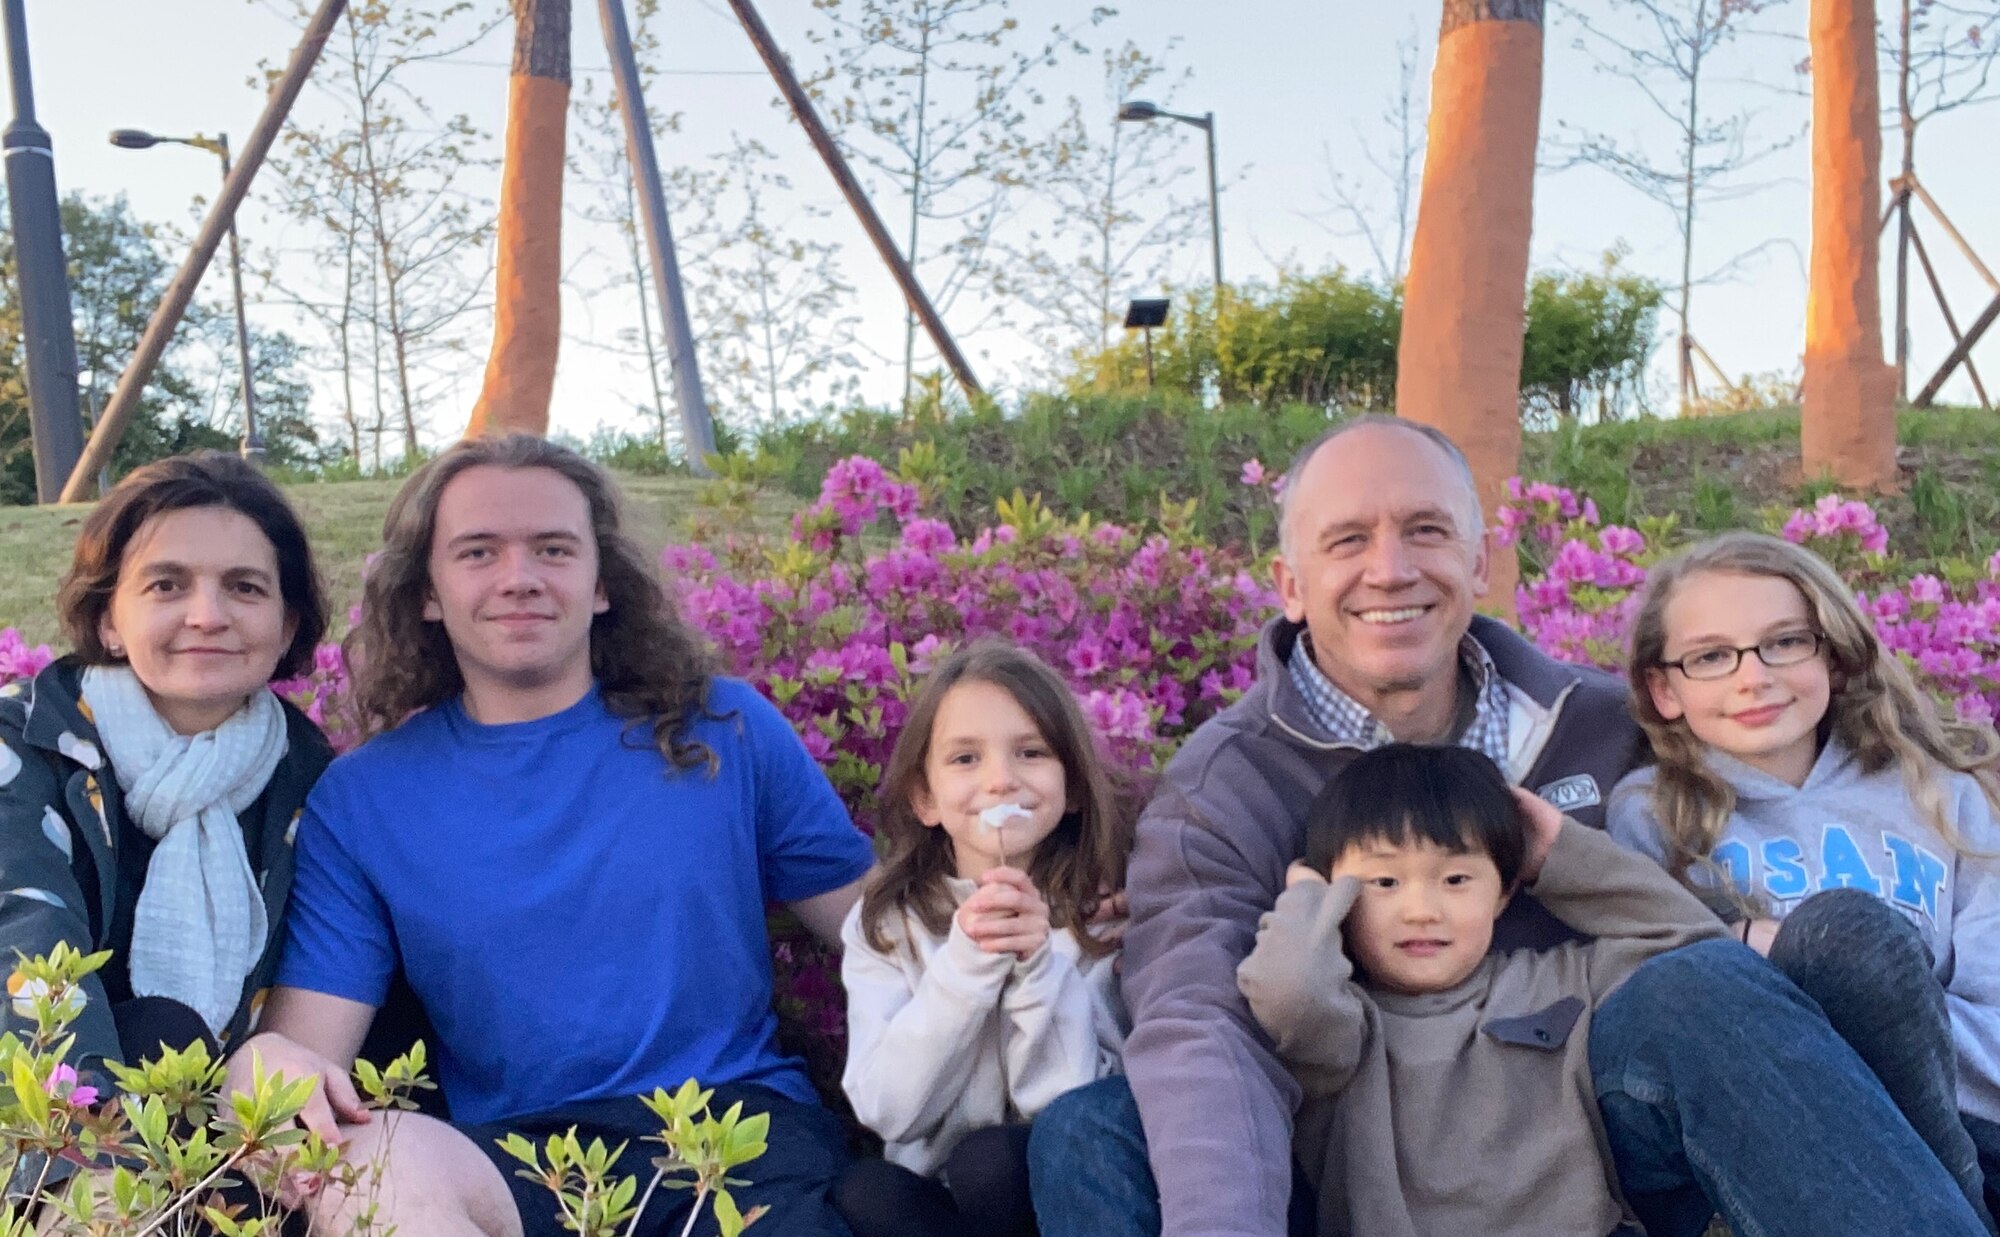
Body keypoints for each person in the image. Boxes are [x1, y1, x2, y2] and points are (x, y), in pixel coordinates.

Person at [1026, 415, 1995, 1237]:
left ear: (1481, 561)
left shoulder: (1606, 722)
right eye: (1346, 540)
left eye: (1424, 530)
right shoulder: (1224, 784)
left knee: (1700, 985)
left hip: (1586, 1117)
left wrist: (1940, 769)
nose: (1389, 569)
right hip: (1353, 1136)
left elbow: (1775, 735)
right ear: (1287, 582)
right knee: (1092, 1131)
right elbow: (1200, 1018)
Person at [221, 435, 876, 1237]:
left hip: (740, 1138)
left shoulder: (723, 730)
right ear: (427, 590)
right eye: (477, 551)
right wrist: (265, 1066)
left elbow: (880, 927)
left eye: (554, 548)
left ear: (602, 583)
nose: (519, 576)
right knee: (372, 1168)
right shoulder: (363, 800)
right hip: (527, 1160)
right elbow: (305, 1049)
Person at [1609, 530, 2000, 1228]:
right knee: (1836, 944)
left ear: (1836, 653)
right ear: (1663, 688)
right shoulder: (1652, 815)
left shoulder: (1949, 797)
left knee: (1846, 944)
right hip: (1795, 1137)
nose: (1753, 676)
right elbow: (1666, 1003)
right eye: (1711, 656)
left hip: (1975, 1132)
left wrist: (1877, 1006)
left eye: (1785, 641)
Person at [1241, 743, 1723, 1237]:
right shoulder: (1342, 1029)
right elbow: (1291, 992)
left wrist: (1559, 852)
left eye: (1455, 878)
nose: (1421, 910)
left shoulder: (1560, 981)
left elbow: (1699, 953)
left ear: (1504, 891)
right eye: (1384, 881)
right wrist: (1307, 898)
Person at [0, 451, 332, 1074]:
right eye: (166, 585)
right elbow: (24, 951)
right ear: (108, 619)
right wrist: (87, 1161)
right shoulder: (23, 748)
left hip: (236, 1129)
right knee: (161, 1030)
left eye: (245, 587)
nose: (207, 615)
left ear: (287, 627)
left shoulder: (309, 776)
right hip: (59, 1128)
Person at [833, 641, 1130, 1237]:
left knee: (989, 1162)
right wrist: (967, 968)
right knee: (866, 1192)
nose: (1000, 780)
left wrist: (1037, 969)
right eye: (966, 758)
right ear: (925, 798)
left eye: (1030, 752)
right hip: (936, 1197)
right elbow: (887, 1111)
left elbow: (1074, 1111)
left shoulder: (1102, 919)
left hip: (1043, 1187)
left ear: (1071, 786)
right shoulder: (889, 924)